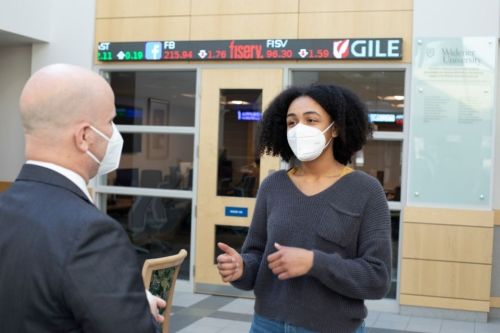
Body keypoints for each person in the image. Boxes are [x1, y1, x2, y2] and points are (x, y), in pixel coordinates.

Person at [0, 64, 165, 332]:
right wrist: (138, 309)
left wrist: (118, 301)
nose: (114, 134)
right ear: (85, 137)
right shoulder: (92, 234)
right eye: (110, 122)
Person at [217, 84, 392, 333]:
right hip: (267, 324)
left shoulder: (365, 191)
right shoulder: (273, 186)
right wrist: (241, 267)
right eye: (292, 122)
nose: (299, 129)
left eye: (311, 120)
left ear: (336, 129)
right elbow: (257, 256)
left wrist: (313, 262)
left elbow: (378, 278)